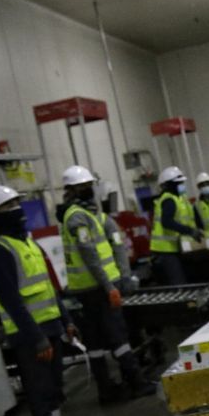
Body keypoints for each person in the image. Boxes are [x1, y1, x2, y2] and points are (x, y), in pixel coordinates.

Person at [0, 185, 83, 416]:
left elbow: (49, 287)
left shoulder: (27, 243)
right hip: (30, 336)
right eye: (8, 206)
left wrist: (66, 321)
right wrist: (37, 338)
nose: (17, 210)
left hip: (50, 327)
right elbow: (11, 301)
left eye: (17, 203)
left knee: (54, 388)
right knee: (39, 392)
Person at [59, 165, 152, 403]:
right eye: (84, 187)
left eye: (89, 186)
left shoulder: (92, 215)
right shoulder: (77, 217)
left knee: (97, 341)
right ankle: (135, 382)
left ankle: (108, 390)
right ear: (72, 190)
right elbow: (89, 254)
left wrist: (123, 276)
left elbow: (117, 244)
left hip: (94, 288)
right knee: (117, 336)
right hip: (95, 289)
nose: (89, 190)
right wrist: (110, 286)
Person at [150, 166, 201, 285]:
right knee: (179, 283)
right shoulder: (169, 200)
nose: (182, 185)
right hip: (165, 250)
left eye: (182, 182)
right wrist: (190, 231)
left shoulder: (177, 198)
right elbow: (167, 222)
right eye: (179, 183)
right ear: (169, 185)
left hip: (171, 248)